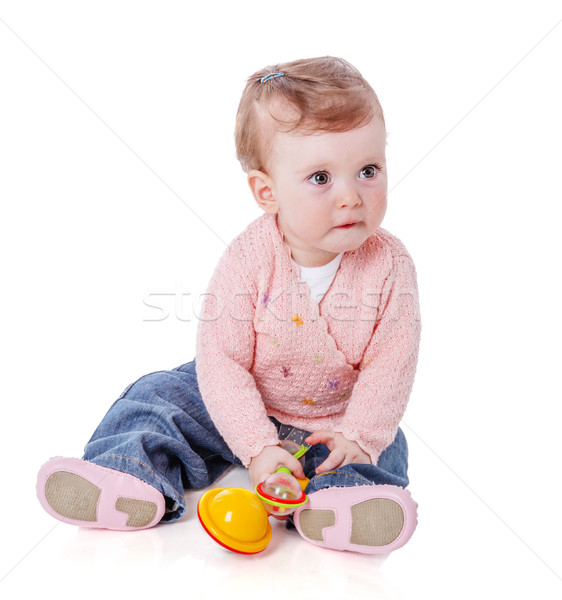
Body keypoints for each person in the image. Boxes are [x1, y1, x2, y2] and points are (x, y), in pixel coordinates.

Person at [37, 56, 421, 555]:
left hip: (335, 419)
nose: (351, 197)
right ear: (267, 192)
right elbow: (222, 359)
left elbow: (392, 364)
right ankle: (126, 474)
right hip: (242, 399)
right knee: (158, 395)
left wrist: (361, 436)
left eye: (368, 170)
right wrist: (257, 447)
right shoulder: (249, 257)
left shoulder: (391, 264)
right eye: (321, 178)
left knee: (384, 449)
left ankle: (341, 505)